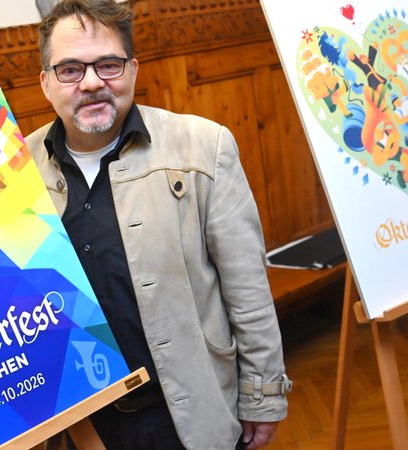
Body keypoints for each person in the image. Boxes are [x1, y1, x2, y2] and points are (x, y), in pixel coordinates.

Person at [25, 1, 292, 448]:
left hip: (189, 416)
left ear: (133, 69)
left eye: (108, 64)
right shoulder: (15, 174)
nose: (92, 82)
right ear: (46, 82)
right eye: (70, 69)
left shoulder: (204, 148)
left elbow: (248, 294)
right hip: (82, 428)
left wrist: (263, 396)